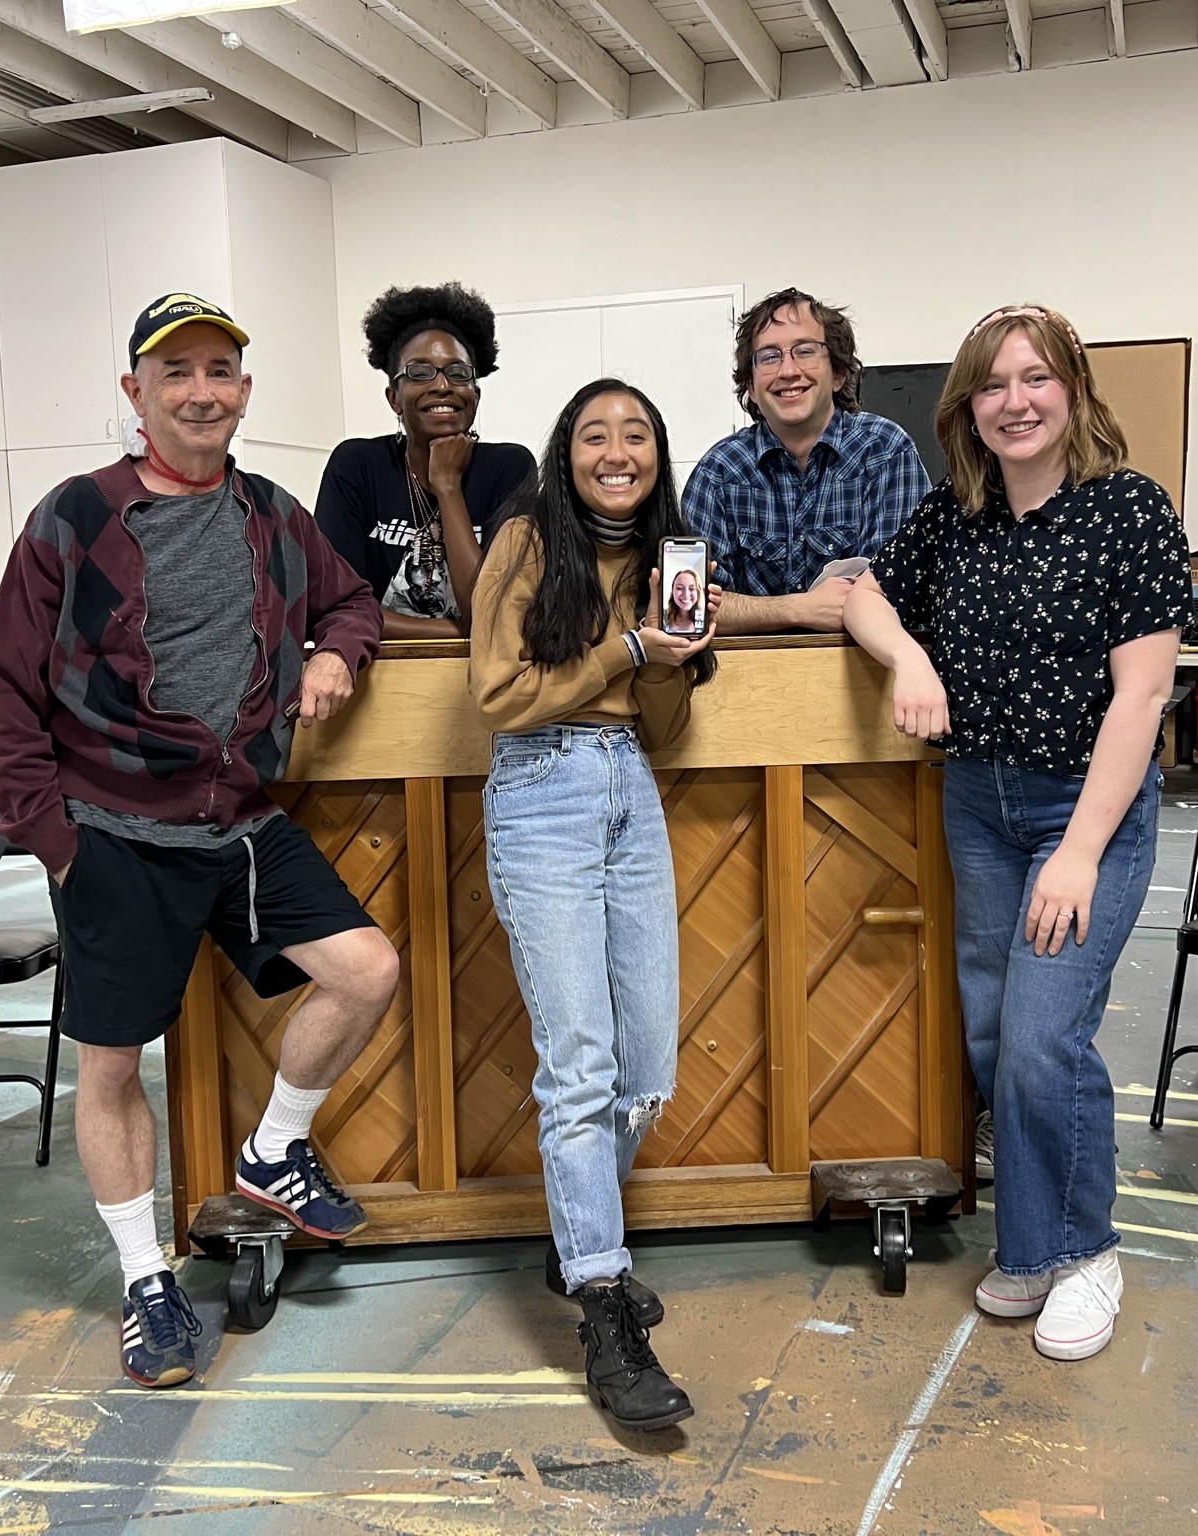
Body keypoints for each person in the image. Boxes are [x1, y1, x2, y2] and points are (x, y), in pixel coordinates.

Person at [0, 293, 400, 1392]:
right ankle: (144, 1279)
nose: (200, 390)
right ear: (136, 394)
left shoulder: (271, 512)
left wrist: (334, 654)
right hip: (112, 837)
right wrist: (53, 841)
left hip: (242, 824)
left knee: (365, 970)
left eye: (219, 371)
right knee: (113, 1065)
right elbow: (4, 695)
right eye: (176, 374)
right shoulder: (74, 518)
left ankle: (274, 1152)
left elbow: (355, 601)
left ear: (244, 392)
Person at [841, 303, 1187, 1363]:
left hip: (1080, 808)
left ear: (1071, 391)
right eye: (991, 385)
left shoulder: (1127, 510)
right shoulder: (956, 517)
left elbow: (1138, 700)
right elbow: (863, 597)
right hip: (976, 808)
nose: (1013, 401)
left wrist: (1079, 849)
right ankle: (1031, 1248)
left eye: (1033, 378)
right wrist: (908, 657)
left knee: (1043, 1038)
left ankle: (1087, 1252)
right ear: (967, 408)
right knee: (993, 1040)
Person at [469, 378, 716, 1432]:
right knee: (578, 1063)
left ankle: (578, 1237)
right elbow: (497, 694)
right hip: (539, 791)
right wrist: (622, 652)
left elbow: (658, 730)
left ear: (658, 454)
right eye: (593, 434)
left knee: (645, 1066)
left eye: (636, 435)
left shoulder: (672, 554)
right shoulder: (526, 541)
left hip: (630, 789)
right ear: (563, 451)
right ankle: (606, 1306)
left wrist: (674, 656)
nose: (616, 451)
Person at [682, 287, 931, 634]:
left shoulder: (886, 452)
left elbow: (901, 594)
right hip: (749, 683)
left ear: (839, 374)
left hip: (863, 679)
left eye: (805, 351)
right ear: (751, 386)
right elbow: (689, 611)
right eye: (769, 357)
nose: (788, 370)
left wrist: (749, 611)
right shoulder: (719, 472)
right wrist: (798, 608)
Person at [315, 283, 536, 638]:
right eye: (419, 372)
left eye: (458, 372)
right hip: (379, 676)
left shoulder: (509, 468)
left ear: (475, 395)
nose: (442, 385)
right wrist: (457, 631)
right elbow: (331, 607)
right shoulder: (358, 465)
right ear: (394, 398)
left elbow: (497, 613)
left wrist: (448, 486)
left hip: (484, 684)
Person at [665, 567, 702, 634]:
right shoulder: (663, 616)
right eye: (679, 588)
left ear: (698, 592)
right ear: (673, 591)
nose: (686, 595)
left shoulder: (703, 618)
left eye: (691, 588)